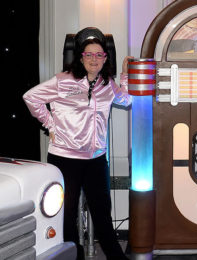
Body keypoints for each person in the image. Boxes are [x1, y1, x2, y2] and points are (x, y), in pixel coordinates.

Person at [23, 30, 133, 260]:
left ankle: (116, 256)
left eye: (99, 55)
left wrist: (125, 74)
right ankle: (75, 256)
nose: (94, 60)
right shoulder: (64, 80)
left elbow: (126, 100)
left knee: (102, 213)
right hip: (65, 158)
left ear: (105, 58)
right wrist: (50, 125)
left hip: (96, 159)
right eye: (89, 55)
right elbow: (31, 97)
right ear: (80, 57)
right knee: (67, 214)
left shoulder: (108, 84)